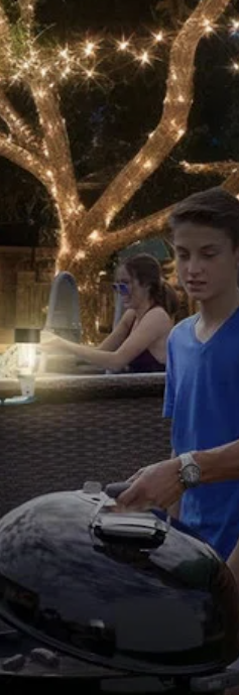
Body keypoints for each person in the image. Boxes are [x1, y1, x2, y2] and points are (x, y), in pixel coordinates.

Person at [117, 189, 239, 570]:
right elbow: (181, 444)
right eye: (183, 255)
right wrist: (172, 544)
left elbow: (182, 466)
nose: (193, 268)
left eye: (209, 253)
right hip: (196, 548)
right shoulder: (179, 339)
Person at [40, 253, 175, 373]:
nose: (120, 291)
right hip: (133, 394)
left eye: (125, 284)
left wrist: (60, 343)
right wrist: (55, 351)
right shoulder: (132, 315)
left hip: (152, 398)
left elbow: (116, 362)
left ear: (146, 284)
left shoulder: (156, 317)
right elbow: (101, 352)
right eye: (117, 286)